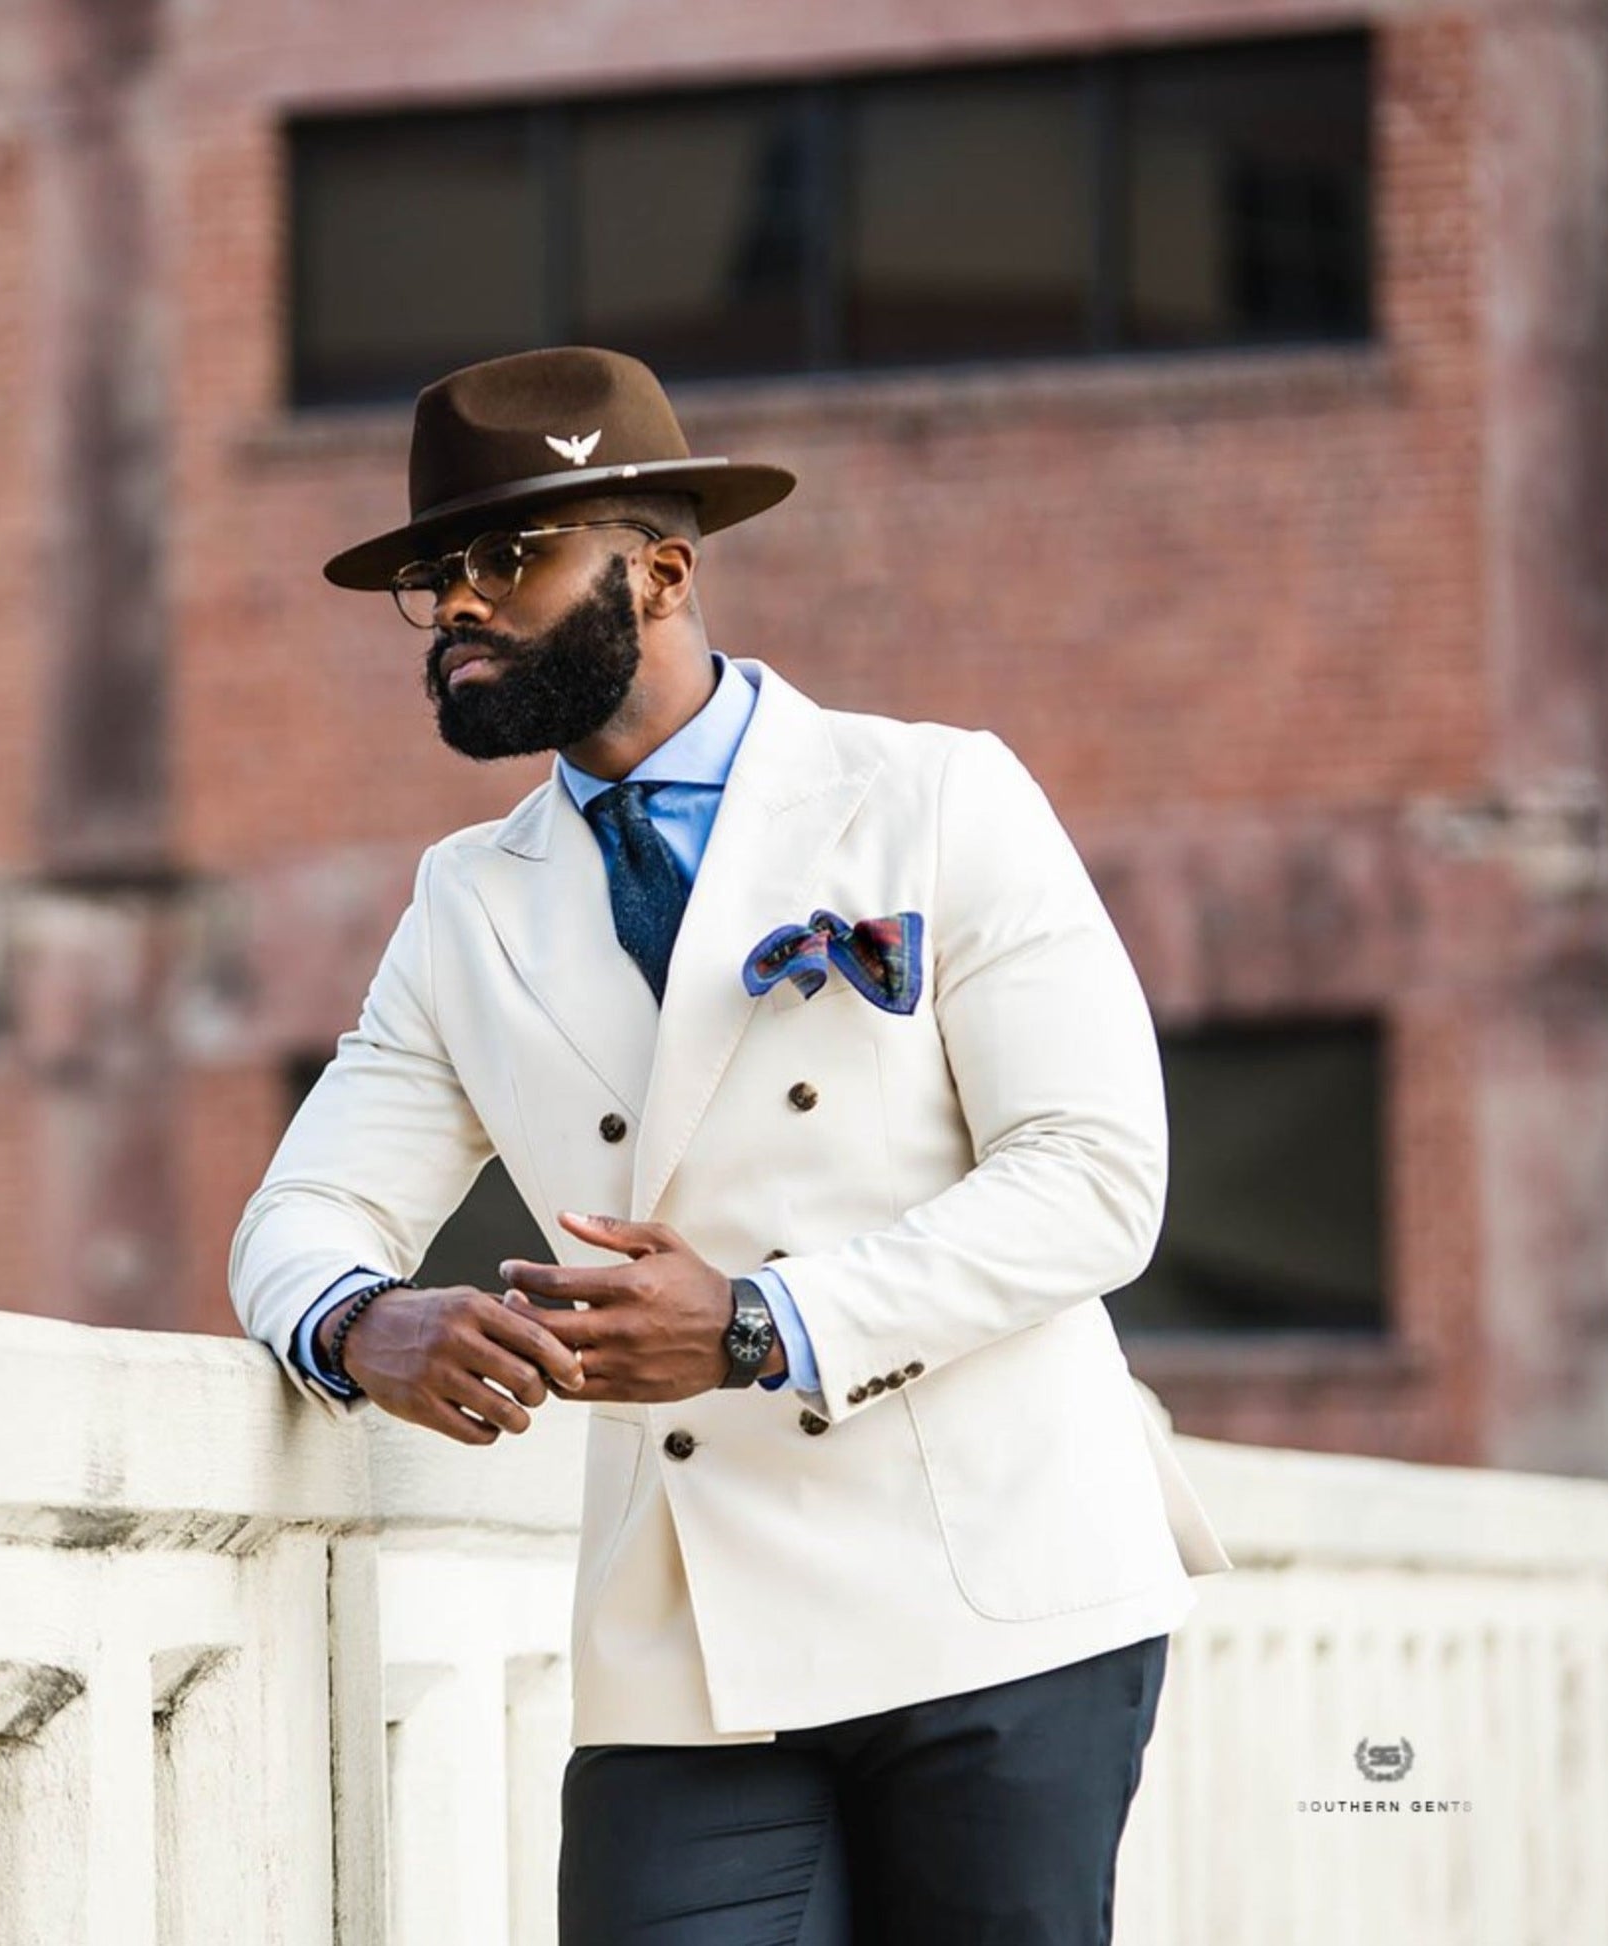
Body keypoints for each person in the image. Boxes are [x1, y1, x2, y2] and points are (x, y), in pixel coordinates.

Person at [228, 344, 1234, 1945]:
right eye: (435, 576)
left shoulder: (933, 795)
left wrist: (762, 1322)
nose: (460, 602)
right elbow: (304, 1211)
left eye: (508, 554)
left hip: (1001, 1588)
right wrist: (359, 1322)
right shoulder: (465, 902)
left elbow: (1093, 1176)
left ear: (663, 571)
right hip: (683, 1637)